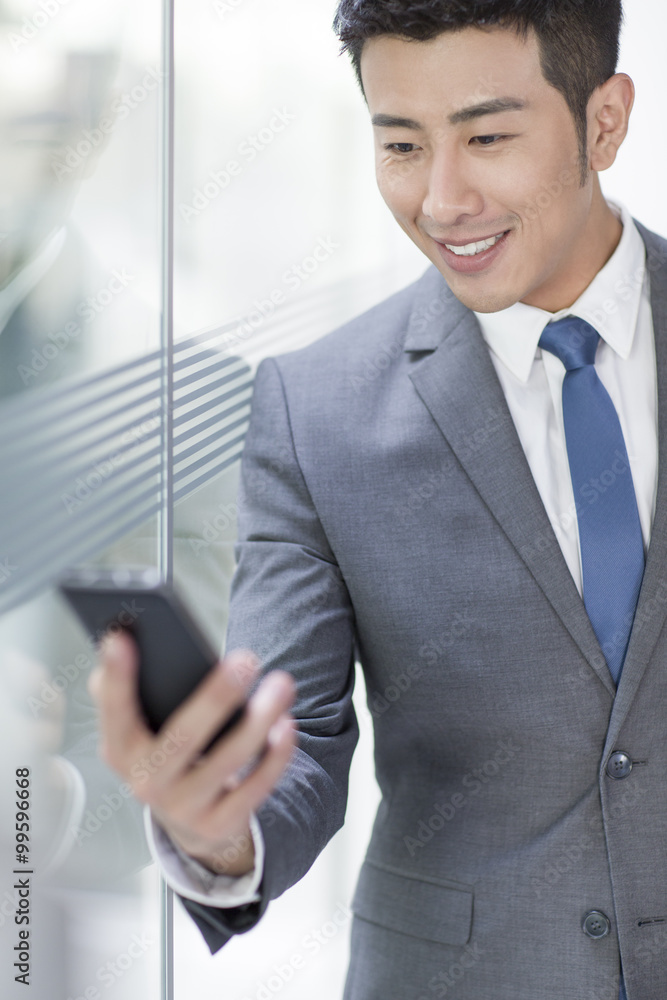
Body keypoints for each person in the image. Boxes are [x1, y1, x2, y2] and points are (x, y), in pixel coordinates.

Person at [91, 1, 667, 997]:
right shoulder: (315, 413)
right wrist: (213, 825)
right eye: (401, 144)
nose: (442, 199)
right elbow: (291, 746)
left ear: (603, 121)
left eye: (487, 136)